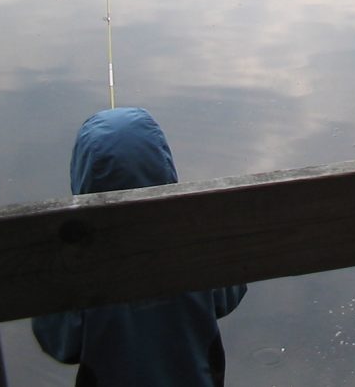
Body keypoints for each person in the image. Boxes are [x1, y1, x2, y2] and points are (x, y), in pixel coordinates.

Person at [32, 107, 246, 386]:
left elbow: (60, 344)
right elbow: (230, 294)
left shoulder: (77, 264)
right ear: (163, 163)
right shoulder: (195, 240)